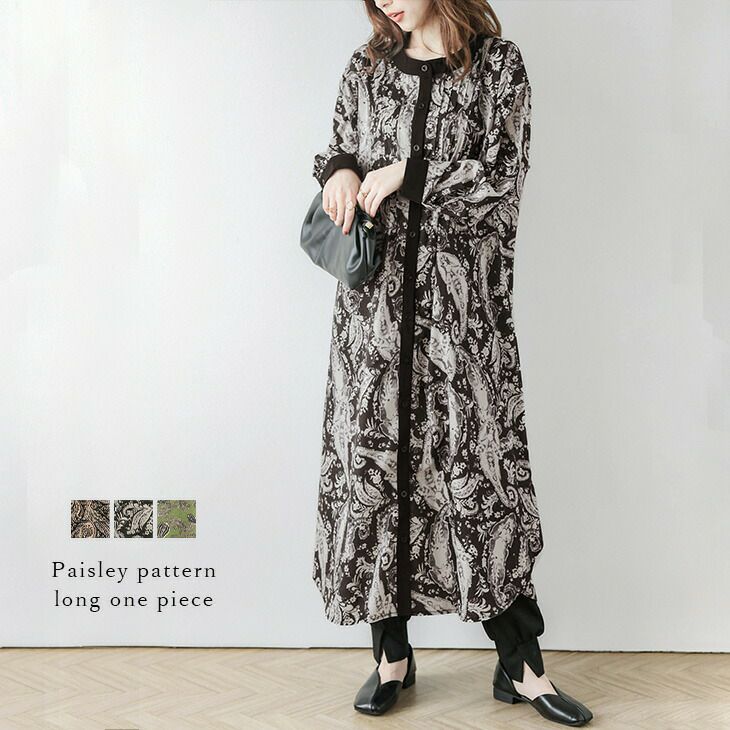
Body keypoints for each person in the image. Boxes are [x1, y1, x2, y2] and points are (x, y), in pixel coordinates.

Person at [310, 1, 593, 725]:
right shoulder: (366, 68)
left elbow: (502, 179)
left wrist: (413, 173)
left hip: (462, 320)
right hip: (374, 322)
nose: (386, 1)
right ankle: (391, 658)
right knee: (378, 475)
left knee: (478, 481)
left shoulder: (499, 68)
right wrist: (338, 173)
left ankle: (521, 666)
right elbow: (340, 146)